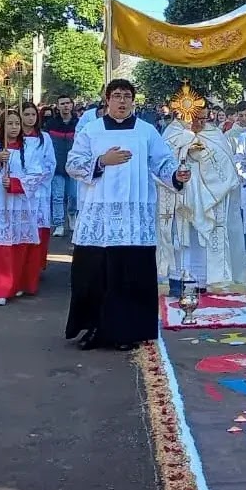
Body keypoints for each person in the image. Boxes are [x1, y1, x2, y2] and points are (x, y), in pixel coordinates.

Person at [65, 79, 191, 351]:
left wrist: (176, 175)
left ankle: (128, 331)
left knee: (130, 276)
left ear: (133, 101)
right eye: (116, 96)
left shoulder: (146, 132)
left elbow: (163, 162)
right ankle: (95, 328)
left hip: (134, 219)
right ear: (107, 100)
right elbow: (73, 164)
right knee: (95, 276)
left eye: (127, 96)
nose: (122, 101)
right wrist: (101, 162)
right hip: (100, 217)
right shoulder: (91, 130)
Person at [157, 106, 246, 294]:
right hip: (180, 193)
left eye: (205, 118)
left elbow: (225, 164)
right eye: (197, 118)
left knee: (205, 235)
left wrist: (203, 153)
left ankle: (204, 280)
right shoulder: (173, 132)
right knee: (180, 235)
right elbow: (162, 161)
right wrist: (185, 148)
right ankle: (177, 278)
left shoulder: (214, 134)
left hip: (209, 196)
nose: (201, 123)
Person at [0, 109, 47, 305]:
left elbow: (37, 174)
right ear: (2, 126)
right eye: (10, 123)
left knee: (19, 245)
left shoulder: (30, 149)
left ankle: (16, 284)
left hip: (20, 203)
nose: (14, 127)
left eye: (17, 123)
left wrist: (16, 183)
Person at [21, 101, 56, 285]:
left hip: (39, 190)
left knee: (39, 228)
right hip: (17, 190)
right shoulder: (13, 138)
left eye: (33, 115)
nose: (30, 118)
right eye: (26, 114)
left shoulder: (45, 138)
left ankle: (37, 265)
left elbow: (50, 164)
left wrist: (35, 180)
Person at [225, 101, 246, 268]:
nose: (244, 118)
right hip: (238, 181)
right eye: (241, 115)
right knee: (241, 215)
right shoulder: (230, 135)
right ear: (236, 116)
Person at [46, 96, 80, 236]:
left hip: (74, 166)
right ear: (58, 106)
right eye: (62, 104)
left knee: (73, 196)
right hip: (57, 165)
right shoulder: (51, 124)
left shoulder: (78, 123)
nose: (65, 106)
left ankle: (72, 215)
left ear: (72, 105)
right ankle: (59, 224)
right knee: (57, 197)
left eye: (68, 103)